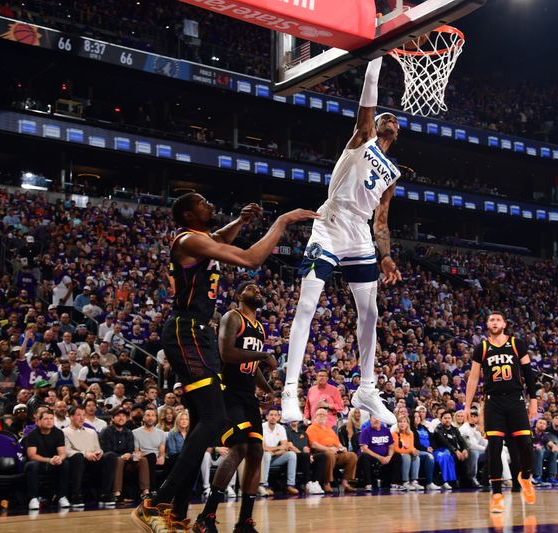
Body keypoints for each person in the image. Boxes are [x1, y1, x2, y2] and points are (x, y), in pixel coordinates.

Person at [132, 195, 316, 532]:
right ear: (189, 214)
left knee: (204, 423)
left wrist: (242, 223)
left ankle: (176, 511)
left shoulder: (203, 240)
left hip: (196, 333)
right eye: (203, 202)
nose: (209, 204)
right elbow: (251, 258)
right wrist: (282, 222)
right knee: (214, 419)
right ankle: (156, 502)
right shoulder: (187, 239)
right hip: (187, 330)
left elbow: (221, 239)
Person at [280, 55, 402, 427]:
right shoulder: (361, 140)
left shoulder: (393, 174)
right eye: (384, 117)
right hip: (330, 225)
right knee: (307, 305)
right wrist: (378, 54)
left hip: (361, 234)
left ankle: (366, 388)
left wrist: (386, 256)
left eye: (394, 121)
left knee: (371, 313)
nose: (389, 120)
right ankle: (289, 390)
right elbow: (369, 97)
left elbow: (382, 220)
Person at [194, 282, 277, 533]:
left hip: (247, 395)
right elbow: (227, 353)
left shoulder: (260, 327)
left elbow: (251, 367)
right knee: (239, 446)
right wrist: (262, 356)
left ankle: (245, 522)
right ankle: (206, 517)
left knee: (255, 452)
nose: (259, 290)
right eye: (253, 288)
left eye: (259, 288)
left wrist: (268, 389)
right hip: (227, 391)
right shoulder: (233, 317)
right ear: (240, 295)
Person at [464, 311, 538, 511]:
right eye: (491, 319)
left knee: (525, 443)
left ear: (504, 324)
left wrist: (534, 400)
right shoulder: (482, 347)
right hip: (493, 402)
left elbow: (528, 374)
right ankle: (496, 494)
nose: (494, 322)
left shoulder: (516, 344)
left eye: (498, 319)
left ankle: (525, 476)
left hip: (516, 400)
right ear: (487, 325)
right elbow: (473, 378)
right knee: (494, 447)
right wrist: (466, 405)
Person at [63, 405, 117, 507]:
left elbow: (98, 448)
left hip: (93, 461)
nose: (82, 417)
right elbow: (66, 451)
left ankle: (105, 494)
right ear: (71, 417)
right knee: (78, 456)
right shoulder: (64, 432)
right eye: (78, 415)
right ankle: (76, 495)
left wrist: (99, 452)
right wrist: (85, 454)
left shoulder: (91, 432)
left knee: (110, 456)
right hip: (77, 462)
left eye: (83, 415)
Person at [23, 410, 70, 510]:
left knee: (65, 463)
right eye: (45, 419)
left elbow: (62, 453)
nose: (49, 421)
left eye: (51, 419)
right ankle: (33, 498)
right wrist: (49, 460)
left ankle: (62, 496)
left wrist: (59, 458)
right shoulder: (32, 434)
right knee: (33, 464)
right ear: (38, 421)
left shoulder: (58, 433)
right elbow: (32, 455)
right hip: (38, 463)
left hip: (52, 462)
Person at [100, 408, 149, 503]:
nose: (121, 418)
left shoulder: (129, 432)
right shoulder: (106, 431)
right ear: (113, 418)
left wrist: (131, 454)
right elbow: (106, 451)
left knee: (143, 459)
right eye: (118, 416)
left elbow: (130, 449)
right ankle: (117, 493)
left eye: (123, 416)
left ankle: (145, 492)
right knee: (118, 459)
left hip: (127, 461)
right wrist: (122, 455)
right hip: (112, 461)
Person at [306, 407, 357, 493]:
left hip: (336, 452)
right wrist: (329, 449)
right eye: (319, 414)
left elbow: (337, 443)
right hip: (320, 453)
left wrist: (342, 448)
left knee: (352, 456)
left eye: (324, 415)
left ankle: (345, 482)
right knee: (329, 454)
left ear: (327, 417)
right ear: (315, 417)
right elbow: (314, 445)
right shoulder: (311, 428)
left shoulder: (329, 429)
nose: (322, 416)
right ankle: (327, 483)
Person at [260, 408, 299, 496]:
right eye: (271, 415)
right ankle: (264, 485)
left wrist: (274, 452)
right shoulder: (262, 427)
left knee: (291, 454)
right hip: (262, 458)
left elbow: (285, 446)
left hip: (275, 457)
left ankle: (290, 485)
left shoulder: (281, 428)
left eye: (275, 415)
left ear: (279, 417)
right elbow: (263, 447)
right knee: (266, 455)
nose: (273, 417)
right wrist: (278, 448)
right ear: (266, 417)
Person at [357, 414, 402, 491]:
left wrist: (389, 456)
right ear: (370, 419)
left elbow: (391, 445)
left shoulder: (386, 431)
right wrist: (380, 457)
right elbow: (364, 449)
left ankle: (395, 483)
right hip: (372, 456)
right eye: (374, 418)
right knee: (364, 456)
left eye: (378, 418)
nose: (376, 420)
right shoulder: (365, 431)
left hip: (384, 456)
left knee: (397, 455)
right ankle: (368, 484)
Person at [432, 410, 468, 491]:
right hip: (439, 450)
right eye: (445, 418)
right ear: (441, 419)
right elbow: (445, 442)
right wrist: (455, 450)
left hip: (452, 451)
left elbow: (462, 441)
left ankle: (466, 481)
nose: (447, 420)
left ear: (452, 419)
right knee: (445, 456)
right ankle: (447, 481)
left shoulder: (454, 429)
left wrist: (465, 449)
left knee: (465, 455)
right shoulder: (438, 429)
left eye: (449, 418)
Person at [392, 415, 423, 490]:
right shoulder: (394, 433)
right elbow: (396, 449)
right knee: (406, 457)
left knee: (416, 456)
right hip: (397, 455)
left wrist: (414, 451)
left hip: (407, 453)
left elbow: (411, 447)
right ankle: (405, 481)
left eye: (404, 422)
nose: (402, 424)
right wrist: (410, 450)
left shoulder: (410, 433)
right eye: (400, 422)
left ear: (407, 424)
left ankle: (414, 481)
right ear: (397, 424)